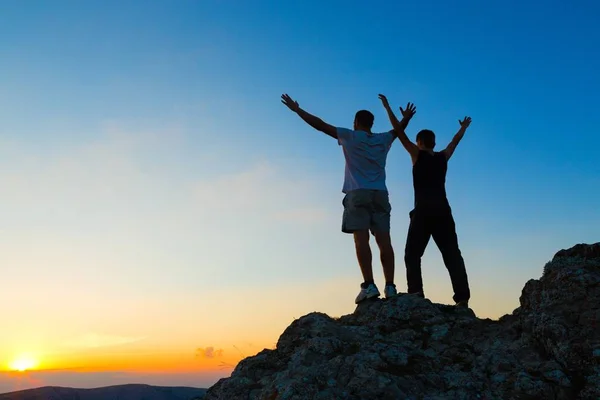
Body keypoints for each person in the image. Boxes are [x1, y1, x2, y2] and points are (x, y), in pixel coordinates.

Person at [280, 93, 416, 303]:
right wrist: (406, 118)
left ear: (355, 122)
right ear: (371, 123)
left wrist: (298, 110)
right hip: (380, 194)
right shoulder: (382, 139)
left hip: (357, 193)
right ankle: (390, 286)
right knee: (384, 241)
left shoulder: (350, 136)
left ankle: (369, 285)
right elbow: (398, 131)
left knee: (361, 240)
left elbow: (320, 125)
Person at [378, 94, 472, 307]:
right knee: (452, 255)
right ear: (434, 143)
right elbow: (454, 142)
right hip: (442, 211)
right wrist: (463, 128)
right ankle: (462, 299)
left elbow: (399, 133)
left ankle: (416, 293)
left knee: (412, 255)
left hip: (423, 212)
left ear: (419, 143)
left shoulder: (416, 154)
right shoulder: (443, 157)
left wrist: (387, 106)